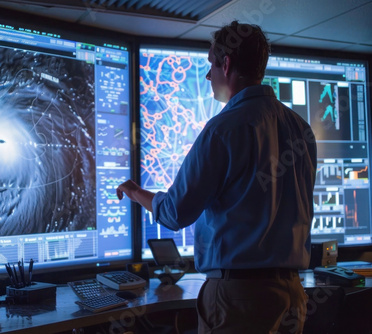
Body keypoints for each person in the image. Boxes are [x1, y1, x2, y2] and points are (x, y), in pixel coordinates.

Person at [117, 20, 317, 334]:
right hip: (293, 295)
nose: (209, 75)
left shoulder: (223, 129)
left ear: (227, 63)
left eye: (212, 64)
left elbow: (175, 212)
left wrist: (134, 191)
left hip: (240, 300)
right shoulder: (300, 128)